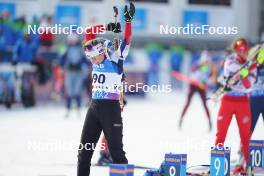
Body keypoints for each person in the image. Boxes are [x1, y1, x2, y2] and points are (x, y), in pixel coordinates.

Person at [77, 3, 135, 176]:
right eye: (90, 58)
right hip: (94, 107)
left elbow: (127, 39)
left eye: (95, 57)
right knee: (84, 152)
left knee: (117, 155)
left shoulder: (117, 58)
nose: (93, 61)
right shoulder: (93, 50)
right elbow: (89, 31)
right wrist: (108, 26)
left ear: (103, 51)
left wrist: (128, 22)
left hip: (111, 109)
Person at [214, 38, 257, 174]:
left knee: (245, 136)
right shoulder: (231, 60)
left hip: (243, 102)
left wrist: (245, 75)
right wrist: (244, 71)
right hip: (227, 101)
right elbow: (232, 70)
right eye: (240, 50)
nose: (243, 53)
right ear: (236, 50)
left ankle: (247, 167)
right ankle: (218, 167)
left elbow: (248, 85)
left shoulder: (252, 66)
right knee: (221, 134)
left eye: (245, 50)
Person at [179, 50, 215, 131]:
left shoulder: (209, 66)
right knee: (188, 103)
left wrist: (205, 82)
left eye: (207, 60)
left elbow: (209, 79)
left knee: (205, 104)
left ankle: (209, 122)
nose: (206, 62)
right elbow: (192, 75)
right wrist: (200, 80)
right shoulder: (197, 64)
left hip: (201, 87)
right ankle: (181, 120)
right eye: (205, 60)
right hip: (193, 85)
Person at [60, 33, 87, 117]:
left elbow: (84, 59)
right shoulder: (66, 48)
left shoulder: (80, 48)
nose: (71, 41)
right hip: (69, 71)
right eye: (70, 40)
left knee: (77, 90)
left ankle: (78, 109)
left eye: (73, 39)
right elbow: (62, 58)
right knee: (69, 91)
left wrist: (86, 67)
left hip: (78, 72)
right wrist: (62, 67)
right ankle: (68, 109)